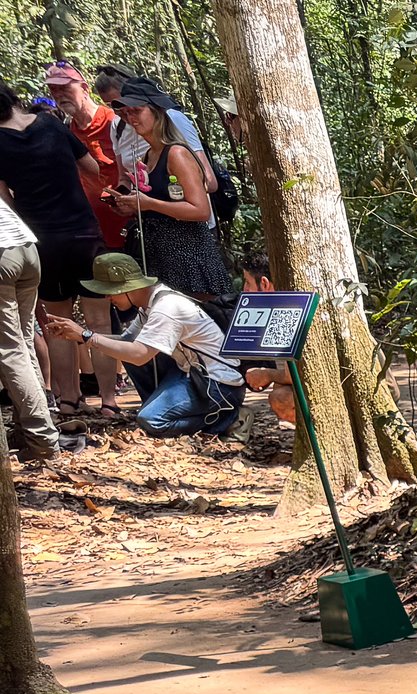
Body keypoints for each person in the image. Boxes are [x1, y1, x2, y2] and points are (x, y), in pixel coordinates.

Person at [41, 250, 242, 437]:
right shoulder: (150, 303)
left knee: (152, 421)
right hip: (192, 373)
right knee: (126, 354)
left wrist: (86, 336)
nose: (107, 297)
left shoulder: (165, 308)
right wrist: (79, 335)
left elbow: (138, 354)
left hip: (217, 384)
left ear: (129, 287)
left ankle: (228, 419)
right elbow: (127, 343)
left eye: (111, 291)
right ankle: (162, 407)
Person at [0, 80, 101, 412]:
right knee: (98, 320)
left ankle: (70, 399)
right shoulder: (51, 124)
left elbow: (5, 203)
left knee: (57, 323)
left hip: (44, 239)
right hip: (83, 230)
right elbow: (92, 167)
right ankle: (110, 402)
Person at [41, 62, 133, 413]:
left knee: (116, 313)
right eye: (53, 89)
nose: (59, 94)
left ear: (84, 87)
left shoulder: (114, 122)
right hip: (79, 236)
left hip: (117, 232)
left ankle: (117, 394)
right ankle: (72, 398)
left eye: (65, 87)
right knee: (78, 318)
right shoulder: (60, 130)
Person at [104, 79, 227, 319]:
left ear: (157, 112)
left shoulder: (177, 154)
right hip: (161, 256)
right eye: (126, 113)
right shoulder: (149, 155)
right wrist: (130, 205)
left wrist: (148, 204)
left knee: (205, 325)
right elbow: (161, 205)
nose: (131, 118)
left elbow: (200, 209)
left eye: (137, 111)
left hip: (189, 257)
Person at [0, 191, 67, 460]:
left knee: (9, 349)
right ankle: (25, 433)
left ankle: (43, 440)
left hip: (3, 256)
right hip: (26, 249)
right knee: (23, 343)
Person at [234, 253, 297, 430]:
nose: (245, 289)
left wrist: (266, 374)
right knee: (280, 386)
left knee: (280, 397)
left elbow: (296, 375)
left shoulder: (290, 309)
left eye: (247, 282)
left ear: (264, 283)